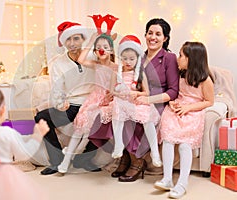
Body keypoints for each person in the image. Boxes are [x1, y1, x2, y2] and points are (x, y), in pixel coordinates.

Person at [89, 18, 179, 182]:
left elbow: (173, 91)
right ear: (145, 35)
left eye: (158, 34)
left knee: (132, 117)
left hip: (156, 99)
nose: (153, 37)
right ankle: (125, 156)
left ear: (165, 38)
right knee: (111, 111)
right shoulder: (137, 56)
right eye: (150, 33)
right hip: (132, 97)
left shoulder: (169, 58)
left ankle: (137, 161)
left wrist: (148, 98)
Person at [34, 21, 101, 175]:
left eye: (76, 38)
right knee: (42, 117)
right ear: (64, 42)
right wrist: (60, 104)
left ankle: (83, 160)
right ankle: (57, 161)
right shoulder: (59, 63)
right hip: (71, 106)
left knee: (107, 121)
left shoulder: (94, 56)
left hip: (92, 104)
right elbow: (57, 89)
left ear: (83, 39)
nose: (72, 43)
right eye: (68, 40)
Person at [154, 41, 214, 199]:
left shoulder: (205, 80)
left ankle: (182, 183)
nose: (177, 58)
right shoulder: (180, 74)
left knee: (184, 145)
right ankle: (167, 179)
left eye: (181, 55)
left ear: (191, 59)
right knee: (168, 140)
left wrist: (189, 108)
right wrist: (172, 103)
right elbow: (174, 93)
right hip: (176, 110)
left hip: (192, 112)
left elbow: (209, 101)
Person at [57, 32, 118, 173]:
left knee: (91, 123)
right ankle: (65, 162)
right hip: (94, 97)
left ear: (111, 50)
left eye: (105, 47)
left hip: (107, 100)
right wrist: (91, 41)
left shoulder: (115, 67)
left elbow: (113, 89)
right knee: (80, 124)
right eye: (98, 47)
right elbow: (81, 59)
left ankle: (78, 150)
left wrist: (107, 98)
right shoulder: (96, 65)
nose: (101, 49)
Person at [111, 35, 161, 165]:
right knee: (116, 107)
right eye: (125, 59)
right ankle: (118, 145)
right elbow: (112, 90)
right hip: (122, 102)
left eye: (131, 59)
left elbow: (146, 92)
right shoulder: (117, 74)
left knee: (146, 117)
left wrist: (135, 93)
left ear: (137, 59)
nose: (128, 62)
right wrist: (118, 94)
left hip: (136, 101)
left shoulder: (139, 74)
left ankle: (155, 152)